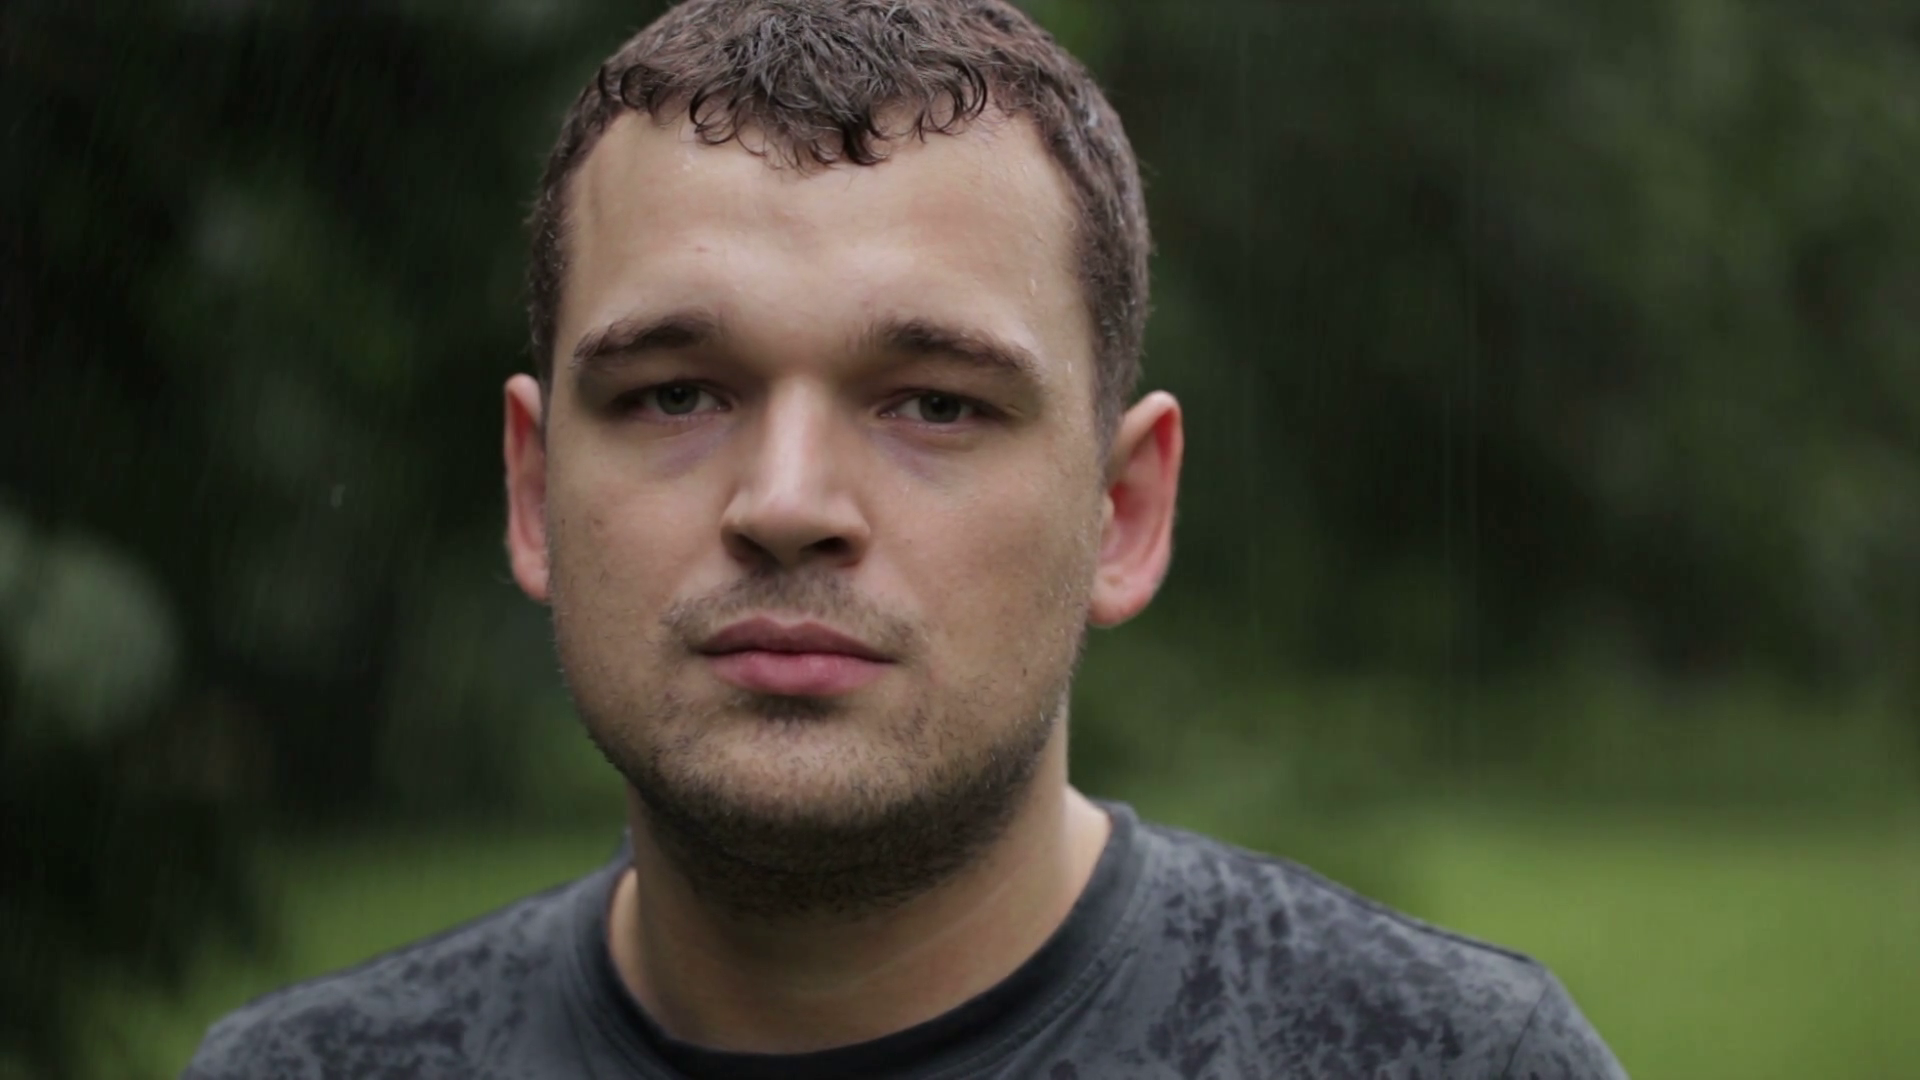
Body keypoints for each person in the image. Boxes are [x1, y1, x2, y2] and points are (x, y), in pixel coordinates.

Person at [184, 1, 1627, 1076]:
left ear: (1124, 512)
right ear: (532, 489)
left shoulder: (1443, 1064)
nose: (787, 502)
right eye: (676, 393)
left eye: (935, 402)